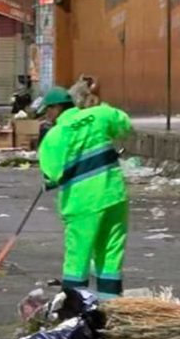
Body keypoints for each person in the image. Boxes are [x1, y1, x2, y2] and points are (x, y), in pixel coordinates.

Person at [38, 87, 133, 299]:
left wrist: (51, 179)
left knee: (77, 256)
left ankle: (74, 309)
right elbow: (125, 125)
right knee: (110, 253)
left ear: (56, 108)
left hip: (83, 201)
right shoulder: (100, 114)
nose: (47, 117)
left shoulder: (56, 135)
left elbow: (52, 173)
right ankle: (110, 307)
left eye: (48, 111)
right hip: (114, 195)